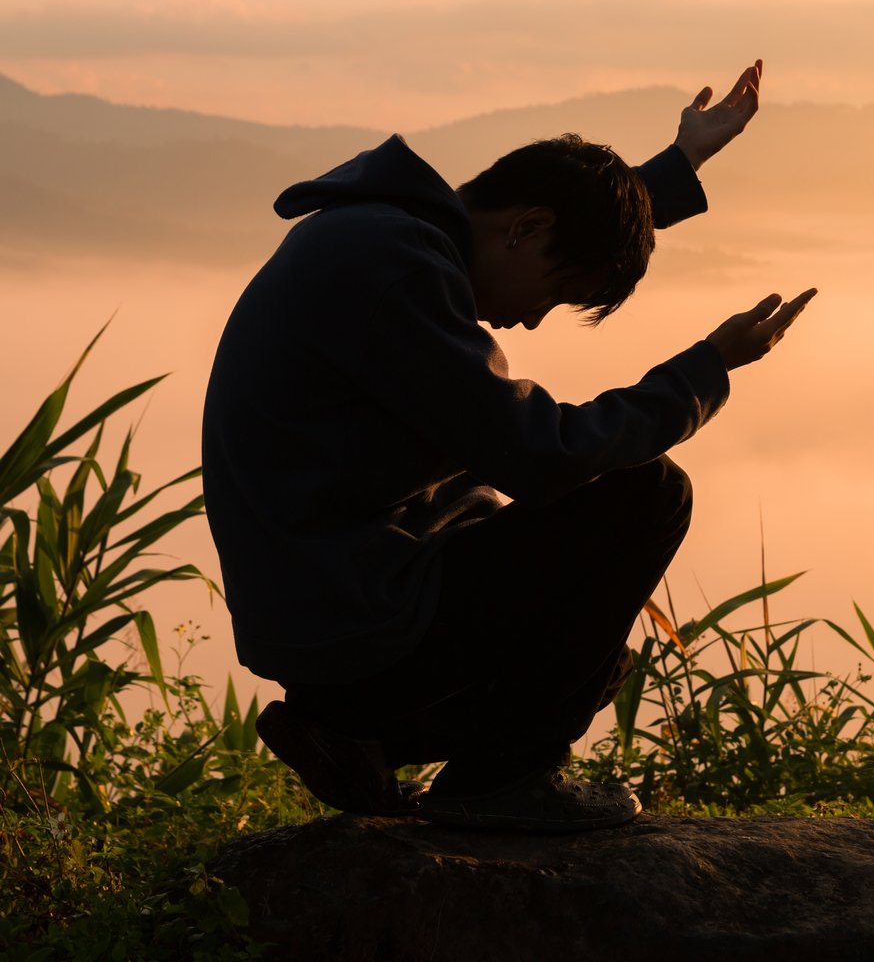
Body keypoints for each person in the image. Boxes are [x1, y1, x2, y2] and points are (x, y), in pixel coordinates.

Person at [201, 60, 815, 832]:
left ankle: (355, 733)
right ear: (523, 229)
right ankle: (497, 779)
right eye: (554, 294)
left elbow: (562, 218)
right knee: (648, 494)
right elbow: (540, 454)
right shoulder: (392, 267)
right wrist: (703, 370)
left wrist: (677, 166)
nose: (528, 322)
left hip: (337, 608)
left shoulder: (383, 236)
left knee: (592, 665)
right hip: (353, 621)